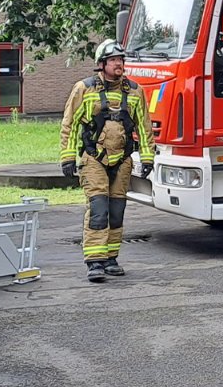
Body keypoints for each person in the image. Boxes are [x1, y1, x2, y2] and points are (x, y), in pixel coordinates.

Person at [60, 39, 154, 282]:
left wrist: (147, 157)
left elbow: (144, 127)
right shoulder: (84, 89)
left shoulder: (135, 91)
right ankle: (94, 261)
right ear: (101, 64)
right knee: (98, 208)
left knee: (116, 210)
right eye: (113, 60)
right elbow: (69, 125)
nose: (118, 64)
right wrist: (67, 157)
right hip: (94, 159)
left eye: (121, 60)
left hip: (122, 160)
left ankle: (111, 258)